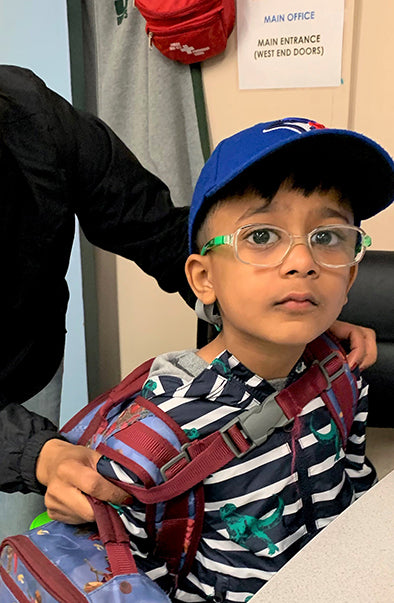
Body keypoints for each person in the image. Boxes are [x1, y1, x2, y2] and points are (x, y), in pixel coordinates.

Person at [0, 0, 377, 598]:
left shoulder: (32, 118)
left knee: (41, 538)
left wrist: (298, 304)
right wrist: (38, 454)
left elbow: (148, 225)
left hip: (25, 355)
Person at [95, 117, 394, 602]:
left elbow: (353, 490)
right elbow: (126, 577)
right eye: (261, 236)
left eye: (328, 236)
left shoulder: (342, 376)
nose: (302, 261)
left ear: (351, 277)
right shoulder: (158, 435)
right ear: (203, 278)